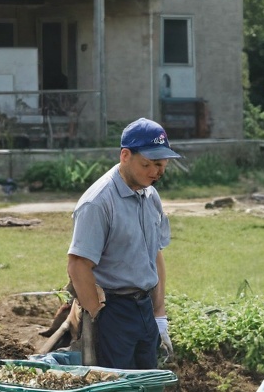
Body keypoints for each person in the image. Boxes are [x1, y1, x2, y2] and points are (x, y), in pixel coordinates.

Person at [66, 118, 179, 369]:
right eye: (148, 164)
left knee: (147, 388)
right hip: (113, 310)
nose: (156, 172)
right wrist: (98, 317)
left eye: (162, 165)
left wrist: (159, 316)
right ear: (125, 155)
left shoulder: (150, 194)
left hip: (144, 308)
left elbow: (155, 255)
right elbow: (78, 265)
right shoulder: (98, 203)